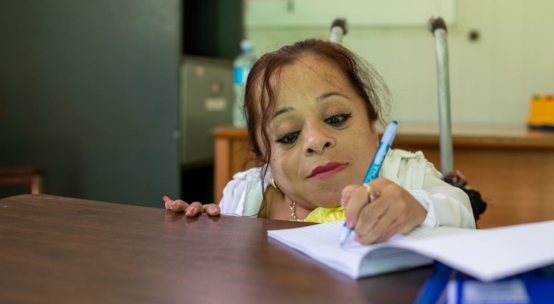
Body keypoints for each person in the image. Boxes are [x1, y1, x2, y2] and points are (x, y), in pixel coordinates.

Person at [163, 39, 475, 244]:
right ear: (265, 156)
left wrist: (416, 209)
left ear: (372, 124)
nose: (316, 140)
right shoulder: (247, 197)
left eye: (336, 118)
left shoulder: (406, 175)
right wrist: (203, 228)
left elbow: (461, 210)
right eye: (288, 135)